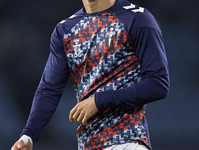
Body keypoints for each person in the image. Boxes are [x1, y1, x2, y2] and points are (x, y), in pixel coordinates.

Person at [11, 0, 170, 149]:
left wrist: (99, 100)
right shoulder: (66, 30)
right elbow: (49, 89)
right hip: (88, 144)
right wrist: (29, 135)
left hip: (127, 140)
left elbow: (158, 84)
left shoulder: (137, 19)